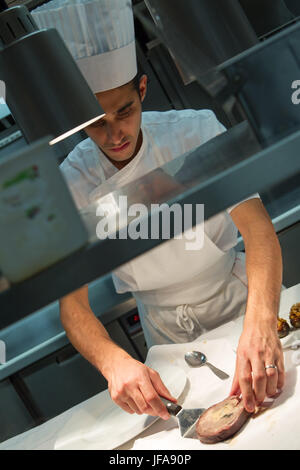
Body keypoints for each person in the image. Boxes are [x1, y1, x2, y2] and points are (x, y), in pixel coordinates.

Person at [32, 0, 284, 421]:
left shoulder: (195, 131)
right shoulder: (71, 182)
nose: (114, 135)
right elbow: (72, 306)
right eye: (96, 123)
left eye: (125, 112)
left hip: (239, 300)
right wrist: (114, 363)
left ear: (143, 90)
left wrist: (260, 325)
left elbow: (258, 233)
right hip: (164, 336)